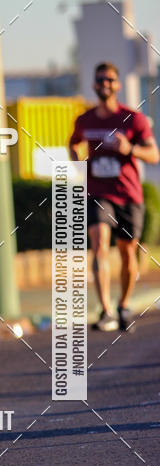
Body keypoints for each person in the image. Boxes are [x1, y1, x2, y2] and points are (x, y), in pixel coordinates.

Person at [69, 62, 159, 332]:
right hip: (98, 192)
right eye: (100, 80)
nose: (104, 84)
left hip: (129, 195)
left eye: (109, 79)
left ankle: (123, 304)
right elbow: (73, 142)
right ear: (94, 85)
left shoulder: (133, 119)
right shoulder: (85, 121)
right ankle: (106, 309)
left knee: (127, 252)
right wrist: (77, 158)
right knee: (99, 243)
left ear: (117, 85)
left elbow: (154, 155)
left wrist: (130, 148)